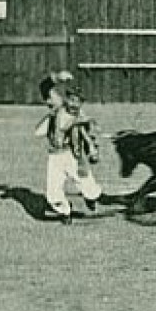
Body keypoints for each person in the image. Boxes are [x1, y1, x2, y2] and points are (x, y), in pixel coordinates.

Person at [34, 70, 101, 224]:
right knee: (53, 190)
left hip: (71, 155)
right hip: (55, 156)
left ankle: (91, 198)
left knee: (88, 186)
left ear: (82, 102)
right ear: (67, 98)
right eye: (71, 99)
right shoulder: (58, 106)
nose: (73, 103)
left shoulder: (82, 117)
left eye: (77, 101)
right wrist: (57, 78)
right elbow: (44, 87)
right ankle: (65, 213)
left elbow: (87, 136)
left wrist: (92, 148)